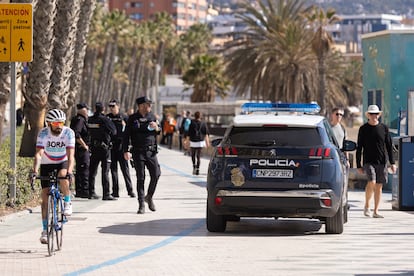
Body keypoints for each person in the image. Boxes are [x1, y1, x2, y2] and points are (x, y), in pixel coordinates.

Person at [30, 109, 75, 244]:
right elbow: (38, 154)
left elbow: (71, 155)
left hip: (62, 160)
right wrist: (34, 171)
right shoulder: (43, 133)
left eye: (61, 123)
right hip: (47, 162)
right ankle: (44, 231)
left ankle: (67, 202)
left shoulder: (68, 133)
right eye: (56, 123)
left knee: (63, 175)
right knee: (45, 197)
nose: (59, 126)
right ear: (49, 123)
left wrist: (70, 171)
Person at [356, 104, 396, 218]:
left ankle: (376, 211)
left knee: (379, 186)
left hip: (382, 162)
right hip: (368, 161)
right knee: (372, 182)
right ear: (368, 115)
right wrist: (358, 165)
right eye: (372, 114)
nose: (374, 116)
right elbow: (359, 148)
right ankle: (367, 205)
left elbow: (389, 146)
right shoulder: (363, 129)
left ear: (379, 115)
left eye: (376, 114)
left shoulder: (384, 128)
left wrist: (392, 163)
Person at [123, 96, 161, 214]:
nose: (149, 107)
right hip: (138, 152)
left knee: (156, 174)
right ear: (141, 106)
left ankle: (149, 196)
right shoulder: (132, 118)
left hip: (151, 152)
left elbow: (159, 131)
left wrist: (157, 128)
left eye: (150, 105)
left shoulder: (152, 117)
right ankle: (141, 204)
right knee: (141, 177)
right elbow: (126, 135)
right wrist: (126, 150)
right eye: (147, 104)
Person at [88, 102, 117, 200]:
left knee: (92, 171)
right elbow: (114, 131)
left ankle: (91, 192)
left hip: (94, 148)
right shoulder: (105, 119)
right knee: (105, 172)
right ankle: (106, 194)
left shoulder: (90, 119)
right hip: (104, 149)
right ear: (103, 109)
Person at [107, 99, 135, 198]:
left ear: (118, 106)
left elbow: (130, 133)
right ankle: (115, 191)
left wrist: (129, 148)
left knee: (125, 170)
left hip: (122, 147)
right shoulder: (108, 117)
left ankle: (130, 190)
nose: (111, 108)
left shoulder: (124, 117)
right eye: (110, 106)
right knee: (113, 170)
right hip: (112, 146)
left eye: (113, 106)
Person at [70, 103, 90, 198]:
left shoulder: (79, 119)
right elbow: (76, 134)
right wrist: (84, 145)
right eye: (86, 109)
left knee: (80, 169)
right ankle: (83, 191)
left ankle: (80, 190)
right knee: (84, 169)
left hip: (78, 148)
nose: (87, 111)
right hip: (81, 148)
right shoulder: (80, 120)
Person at [188, 111, 210, 175]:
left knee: (193, 155)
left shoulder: (192, 123)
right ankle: (198, 169)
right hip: (200, 141)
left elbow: (189, 133)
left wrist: (187, 141)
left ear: (194, 116)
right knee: (198, 156)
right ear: (200, 116)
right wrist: (207, 142)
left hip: (193, 141)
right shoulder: (203, 123)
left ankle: (194, 166)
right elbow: (206, 133)